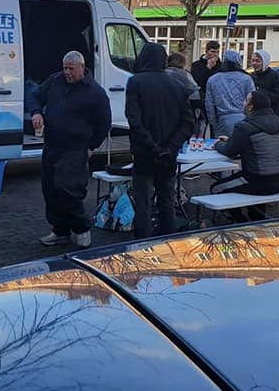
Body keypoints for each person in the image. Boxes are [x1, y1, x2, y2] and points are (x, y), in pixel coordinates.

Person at [27, 50, 111, 249]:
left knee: (69, 189)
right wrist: (36, 112)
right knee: (50, 189)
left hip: (75, 148)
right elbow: (35, 95)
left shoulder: (95, 93)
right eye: (64, 68)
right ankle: (60, 230)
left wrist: (92, 146)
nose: (67, 72)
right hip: (53, 145)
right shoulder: (55, 81)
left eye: (71, 69)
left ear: (82, 68)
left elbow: (104, 122)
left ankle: (81, 228)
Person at [125, 43, 195, 239]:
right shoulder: (178, 87)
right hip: (168, 153)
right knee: (167, 202)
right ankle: (168, 242)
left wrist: (152, 146)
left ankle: (142, 245)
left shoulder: (136, 82)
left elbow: (134, 121)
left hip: (145, 152)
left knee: (143, 204)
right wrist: (170, 147)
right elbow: (188, 123)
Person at [212, 90, 279, 221]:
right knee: (255, 179)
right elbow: (251, 144)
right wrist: (231, 140)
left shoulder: (244, 127)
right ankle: (257, 217)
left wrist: (218, 144)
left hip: (257, 181)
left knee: (216, 188)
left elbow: (230, 152)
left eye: (246, 101)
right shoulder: (274, 124)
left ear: (251, 106)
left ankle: (239, 221)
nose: (244, 104)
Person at [204, 49, 255, 138]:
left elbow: (209, 105)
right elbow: (252, 100)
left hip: (222, 121)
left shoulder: (213, 79)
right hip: (243, 119)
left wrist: (213, 123)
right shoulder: (246, 79)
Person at [251, 49, 279, 117]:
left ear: (265, 62)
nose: (254, 63)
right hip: (255, 115)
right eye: (253, 60)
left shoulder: (275, 76)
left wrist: (260, 93)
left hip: (271, 115)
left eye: (258, 61)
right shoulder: (252, 76)